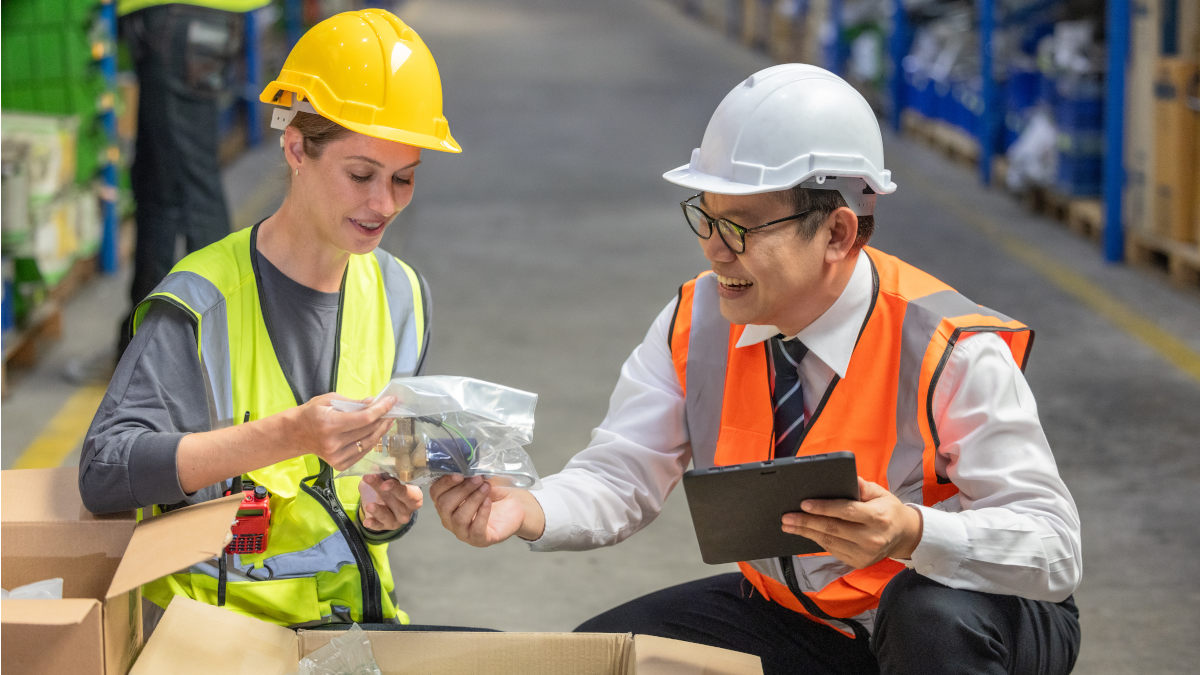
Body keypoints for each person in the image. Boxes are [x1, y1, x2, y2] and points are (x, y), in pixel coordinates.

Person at [430, 64, 1082, 674]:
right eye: (707, 216)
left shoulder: (949, 347)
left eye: (741, 226)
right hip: (809, 618)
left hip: (974, 613)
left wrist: (913, 532)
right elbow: (621, 473)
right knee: (608, 657)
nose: (715, 248)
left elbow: (1053, 550)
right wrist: (525, 508)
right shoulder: (698, 322)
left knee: (929, 616)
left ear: (838, 233)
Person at [79, 8, 461, 628]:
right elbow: (103, 473)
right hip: (217, 640)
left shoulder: (403, 294)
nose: (382, 204)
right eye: (361, 174)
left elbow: (391, 468)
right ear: (295, 148)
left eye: (404, 179)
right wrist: (286, 435)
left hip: (353, 631)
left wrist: (386, 514)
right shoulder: (200, 302)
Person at [116, 0, 268, 357]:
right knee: (158, 190)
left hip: (178, 20)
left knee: (193, 188)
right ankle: (142, 345)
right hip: (179, 22)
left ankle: (225, 342)